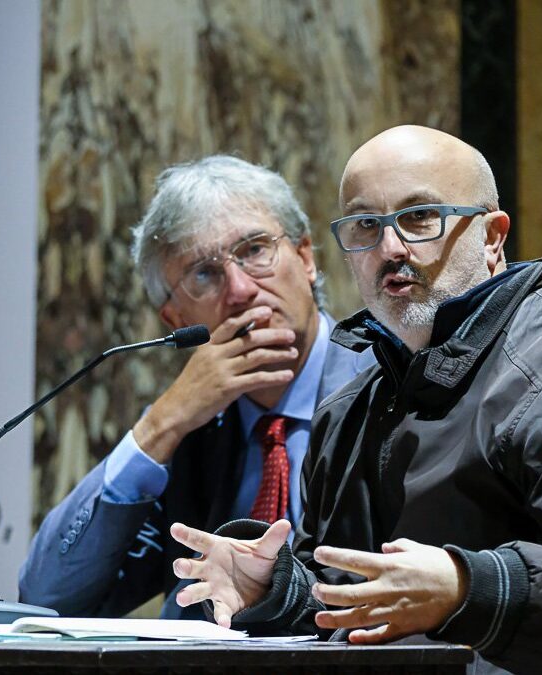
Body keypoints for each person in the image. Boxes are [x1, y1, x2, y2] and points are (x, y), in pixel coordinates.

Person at [169, 126, 542, 673]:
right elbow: (358, 603)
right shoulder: (350, 409)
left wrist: (470, 586)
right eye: (366, 225)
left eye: (420, 218)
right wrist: (280, 588)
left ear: (492, 236)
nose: (390, 247)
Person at [19, 155, 375, 619]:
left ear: (306, 257)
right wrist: (162, 425)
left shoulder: (386, 387)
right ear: (176, 319)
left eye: (254, 250)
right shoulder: (191, 434)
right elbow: (49, 596)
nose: (241, 290)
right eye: (204, 273)